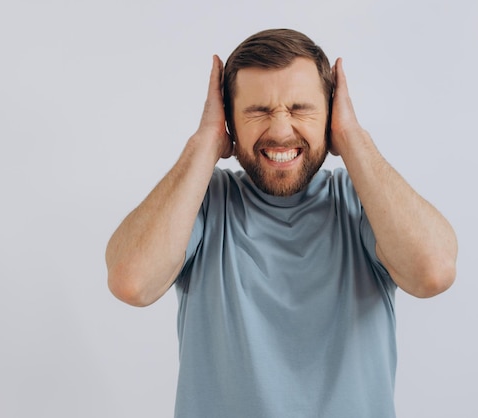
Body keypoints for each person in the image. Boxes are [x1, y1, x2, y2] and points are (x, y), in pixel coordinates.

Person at [106, 28, 458, 418]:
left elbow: (434, 272)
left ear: (330, 115)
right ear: (229, 123)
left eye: (300, 108)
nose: (279, 130)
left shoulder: (364, 201)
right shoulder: (203, 201)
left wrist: (353, 137)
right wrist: (204, 142)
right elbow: (131, 282)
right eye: (257, 112)